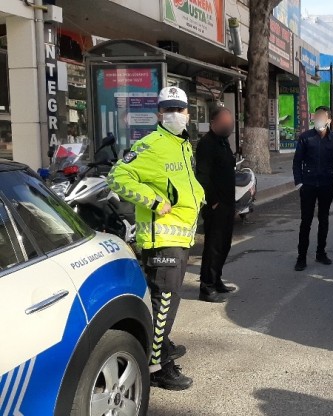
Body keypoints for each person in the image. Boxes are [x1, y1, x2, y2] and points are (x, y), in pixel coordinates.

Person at [107, 86, 205, 391]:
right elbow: (117, 177)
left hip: (179, 236)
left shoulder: (183, 144)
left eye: (180, 109)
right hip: (162, 237)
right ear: (158, 114)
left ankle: (159, 344)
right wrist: (153, 201)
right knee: (164, 302)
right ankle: (157, 367)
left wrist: (198, 196)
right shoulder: (150, 145)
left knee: (166, 302)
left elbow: (182, 183)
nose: (175, 115)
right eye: (169, 110)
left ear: (188, 113)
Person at [195, 106, 237, 303]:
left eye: (230, 122)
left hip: (228, 202)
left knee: (224, 244)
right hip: (216, 204)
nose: (229, 126)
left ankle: (217, 279)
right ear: (214, 123)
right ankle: (207, 286)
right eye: (225, 122)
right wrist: (212, 202)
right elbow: (202, 177)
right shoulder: (207, 144)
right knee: (213, 246)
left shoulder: (223, 141)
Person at [293, 106, 333, 271]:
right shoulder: (306, 137)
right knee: (306, 221)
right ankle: (301, 257)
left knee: (324, 220)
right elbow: (297, 161)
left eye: (322, 117)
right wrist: (299, 182)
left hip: (326, 184)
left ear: (329, 121)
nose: (319, 119)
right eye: (316, 116)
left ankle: (321, 253)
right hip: (309, 185)